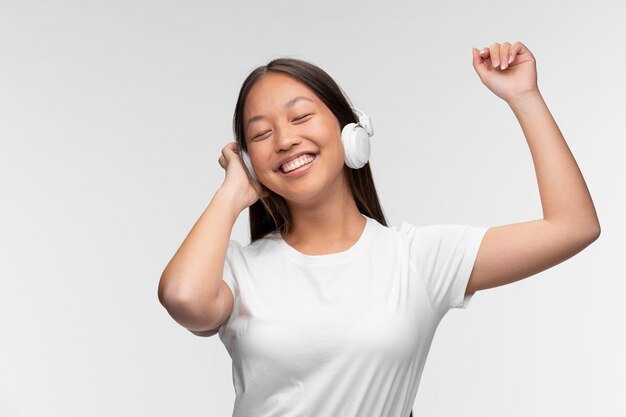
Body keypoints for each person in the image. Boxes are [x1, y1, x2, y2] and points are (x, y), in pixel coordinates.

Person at [158, 41, 601, 417]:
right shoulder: (237, 269)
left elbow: (573, 226)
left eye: (300, 117)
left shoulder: (417, 259)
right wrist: (233, 192)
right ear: (251, 161)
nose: (284, 140)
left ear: (352, 130)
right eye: (260, 134)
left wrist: (524, 97)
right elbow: (183, 298)